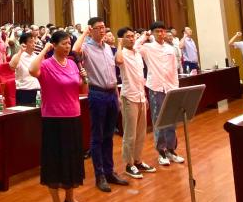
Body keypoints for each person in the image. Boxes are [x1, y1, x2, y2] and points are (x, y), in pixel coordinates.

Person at [29, 30, 91, 202]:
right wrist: (44, 50)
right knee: (55, 161)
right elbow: (32, 70)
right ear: (54, 45)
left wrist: (85, 79)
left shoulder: (72, 63)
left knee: (72, 160)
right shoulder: (46, 65)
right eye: (63, 43)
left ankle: (70, 199)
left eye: (69, 43)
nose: (67, 47)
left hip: (73, 116)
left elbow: (82, 89)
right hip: (54, 119)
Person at [74, 17, 130, 192]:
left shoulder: (107, 48)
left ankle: (109, 171)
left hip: (111, 93)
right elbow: (75, 50)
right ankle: (100, 175)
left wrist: (117, 96)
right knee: (97, 136)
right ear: (91, 30)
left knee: (109, 135)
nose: (102, 30)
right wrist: (85, 32)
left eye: (103, 27)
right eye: (98, 27)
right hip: (97, 93)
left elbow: (112, 74)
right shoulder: (86, 47)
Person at [138, 21, 185, 166]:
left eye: (162, 31)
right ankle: (161, 151)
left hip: (171, 87)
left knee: (171, 119)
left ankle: (171, 150)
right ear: (152, 33)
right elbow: (135, 47)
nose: (160, 33)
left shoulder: (170, 48)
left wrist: (176, 87)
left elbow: (174, 69)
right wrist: (144, 36)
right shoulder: (147, 48)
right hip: (156, 87)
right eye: (157, 31)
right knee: (158, 119)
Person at [114, 27, 156, 179]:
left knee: (141, 133)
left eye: (133, 36)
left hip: (140, 96)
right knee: (130, 134)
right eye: (128, 37)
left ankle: (138, 161)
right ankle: (129, 164)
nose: (132, 39)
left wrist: (144, 96)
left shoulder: (137, 52)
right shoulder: (122, 53)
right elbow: (118, 61)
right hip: (129, 97)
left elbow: (140, 77)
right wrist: (119, 44)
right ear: (122, 39)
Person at [9, 31, 40, 106]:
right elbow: (12, 67)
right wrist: (20, 51)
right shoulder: (19, 56)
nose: (34, 44)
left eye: (34, 42)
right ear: (24, 44)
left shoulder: (36, 56)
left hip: (37, 90)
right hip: (24, 91)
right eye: (31, 42)